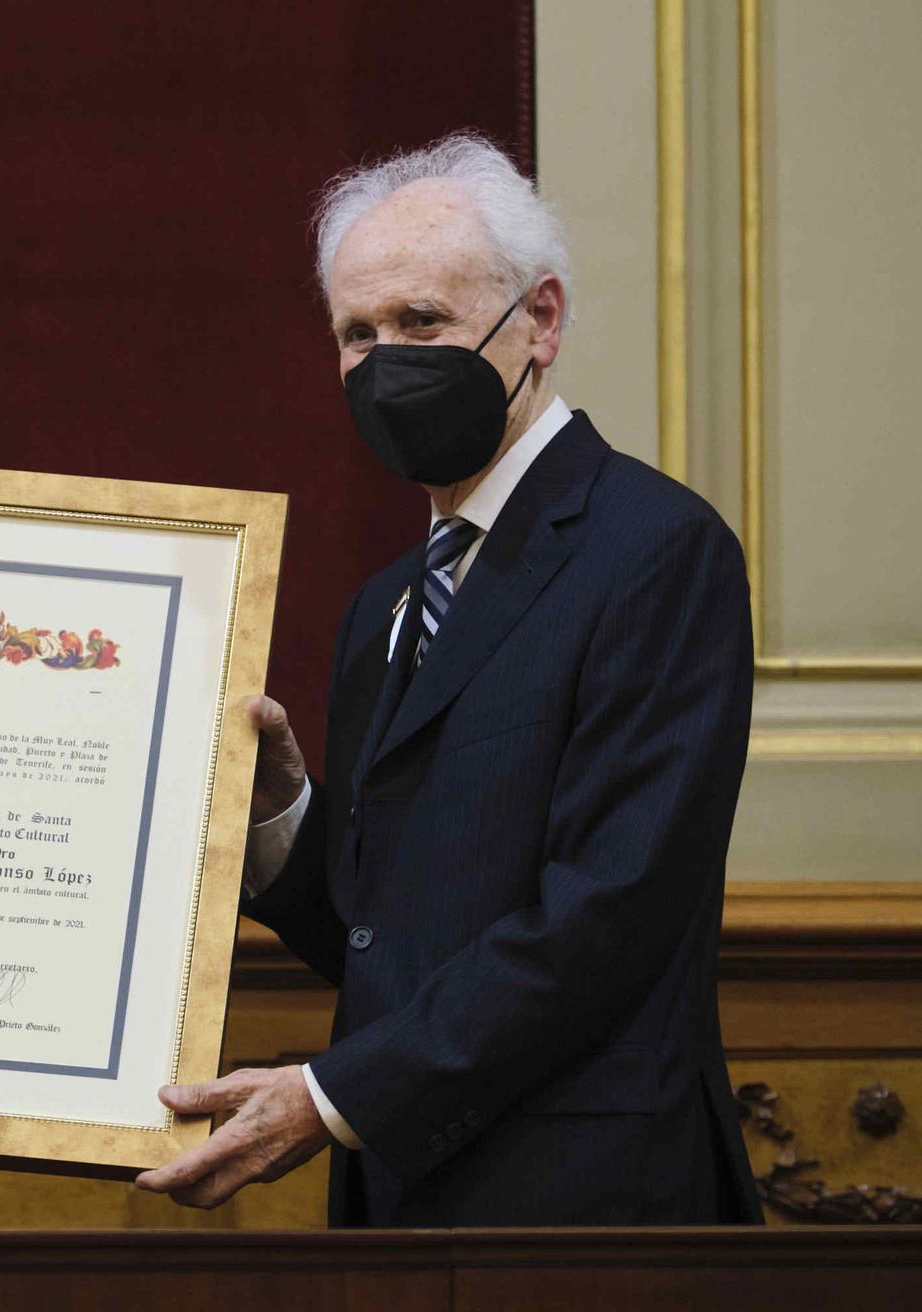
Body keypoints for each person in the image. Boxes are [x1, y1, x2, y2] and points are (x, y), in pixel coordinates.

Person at [136, 133, 763, 1226]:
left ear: (540, 319)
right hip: (403, 1204)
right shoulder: (384, 605)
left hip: (588, 1215)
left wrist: (329, 1098)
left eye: (420, 323)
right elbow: (387, 940)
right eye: (355, 333)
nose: (386, 362)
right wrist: (280, 813)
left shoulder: (656, 549)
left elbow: (606, 914)